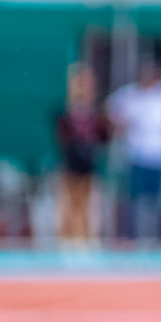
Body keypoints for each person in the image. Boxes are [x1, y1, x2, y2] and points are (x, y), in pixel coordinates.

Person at [106, 60, 161, 242]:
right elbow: (109, 111)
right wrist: (121, 128)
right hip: (137, 156)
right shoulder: (131, 94)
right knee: (134, 201)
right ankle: (131, 237)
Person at [54, 62, 109, 245]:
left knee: (89, 202)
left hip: (88, 162)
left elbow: (103, 136)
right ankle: (67, 236)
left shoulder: (94, 114)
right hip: (72, 161)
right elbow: (63, 137)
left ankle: (85, 236)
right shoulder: (68, 113)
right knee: (70, 200)